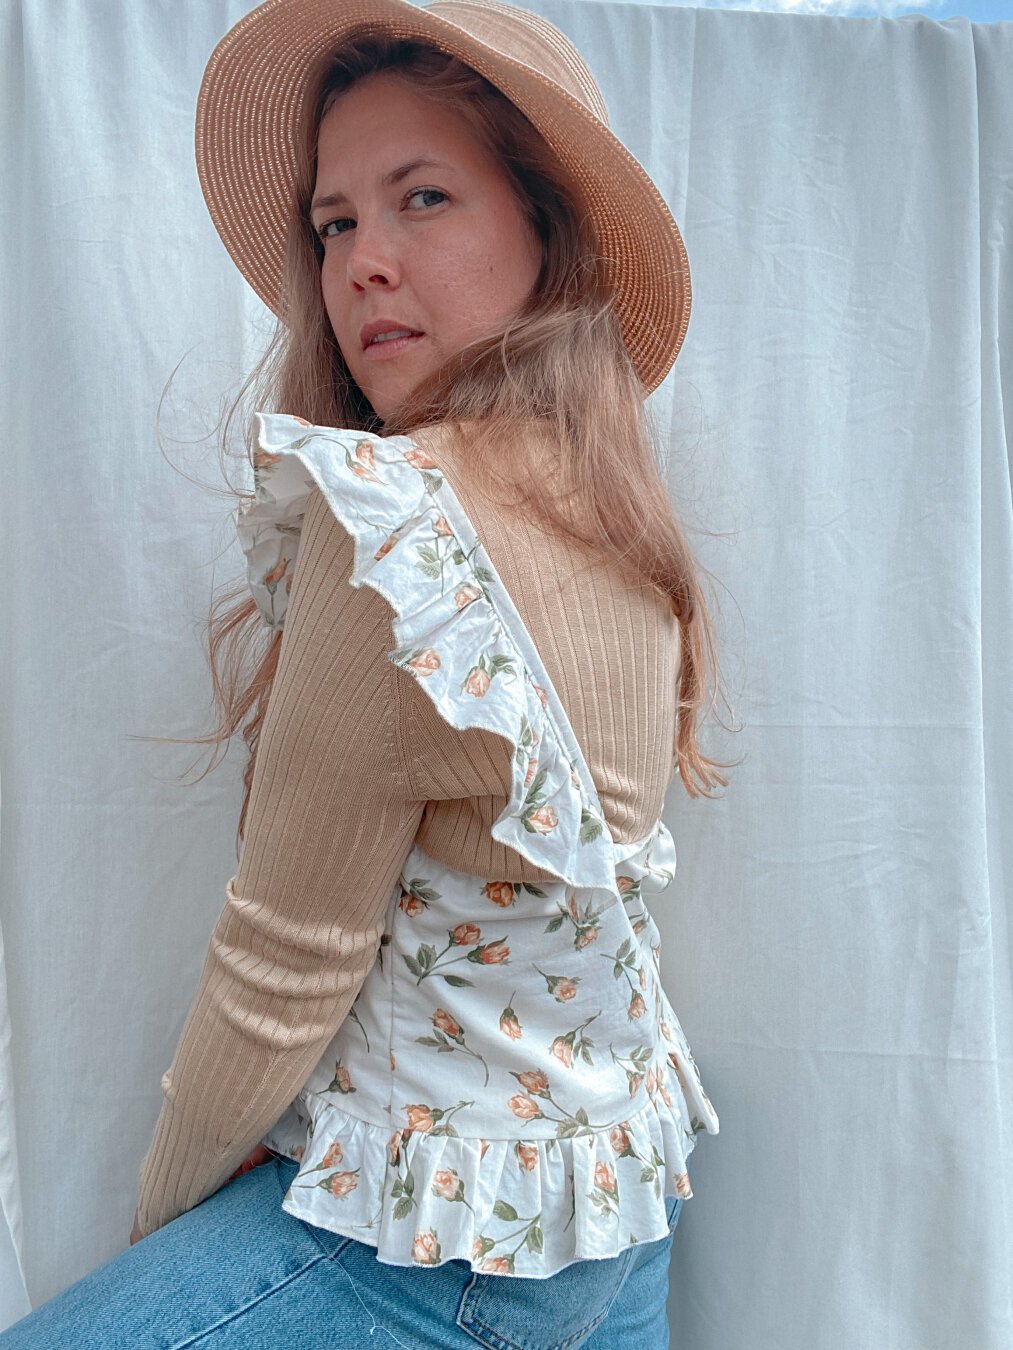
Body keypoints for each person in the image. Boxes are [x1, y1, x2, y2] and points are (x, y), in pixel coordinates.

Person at [0, 0, 733, 1345]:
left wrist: (162, 1214)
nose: (363, 264)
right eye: (334, 223)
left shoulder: (399, 528)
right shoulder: (618, 516)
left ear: (547, 228)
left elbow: (288, 954)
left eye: (423, 198)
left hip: (433, 1243)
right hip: (617, 1212)